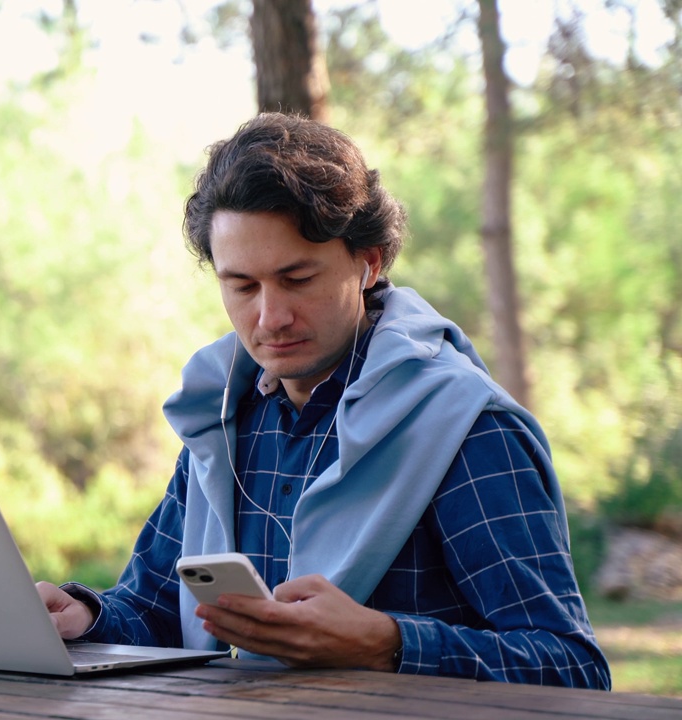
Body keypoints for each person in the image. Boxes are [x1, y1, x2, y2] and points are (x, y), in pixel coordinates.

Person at [36, 112, 611, 689]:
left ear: (369, 263)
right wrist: (86, 616)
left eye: (298, 278)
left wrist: (387, 644)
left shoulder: (465, 427)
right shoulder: (221, 417)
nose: (270, 318)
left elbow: (572, 667)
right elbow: (158, 609)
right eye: (242, 286)